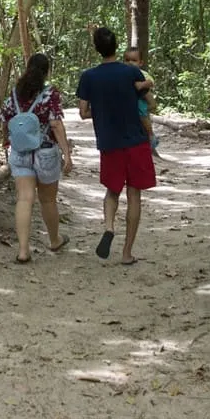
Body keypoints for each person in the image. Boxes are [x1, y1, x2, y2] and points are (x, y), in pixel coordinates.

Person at [76, 27, 155, 264]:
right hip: (135, 141)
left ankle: (109, 227)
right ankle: (127, 253)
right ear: (116, 46)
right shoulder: (131, 72)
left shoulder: (88, 76)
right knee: (134, 195)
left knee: (112, 192)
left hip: (109, 143)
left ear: (96, 48)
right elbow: (149, 102)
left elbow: (82, 112)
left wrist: (101, 110)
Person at [0, 51, 73, 263]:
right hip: (46, 152)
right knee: (48, 199)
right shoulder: (49, 94)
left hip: (20, 153)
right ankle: (54, 239)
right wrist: (66, 153)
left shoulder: (15, 94)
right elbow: (56, 124)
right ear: (46, 71)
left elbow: (4, 119)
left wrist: (6, 140)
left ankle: (23, 250)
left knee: (24, 199)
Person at [123, 45, 162, 156]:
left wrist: (142, 84)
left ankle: (151, 135)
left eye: (134, 60)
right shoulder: (123, 73)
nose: (130, 63)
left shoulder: (142, 73)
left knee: (143, 115)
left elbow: (151, 82)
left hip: (141, 98)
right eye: (127, 60)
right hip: (134, 100)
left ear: (140, 63)